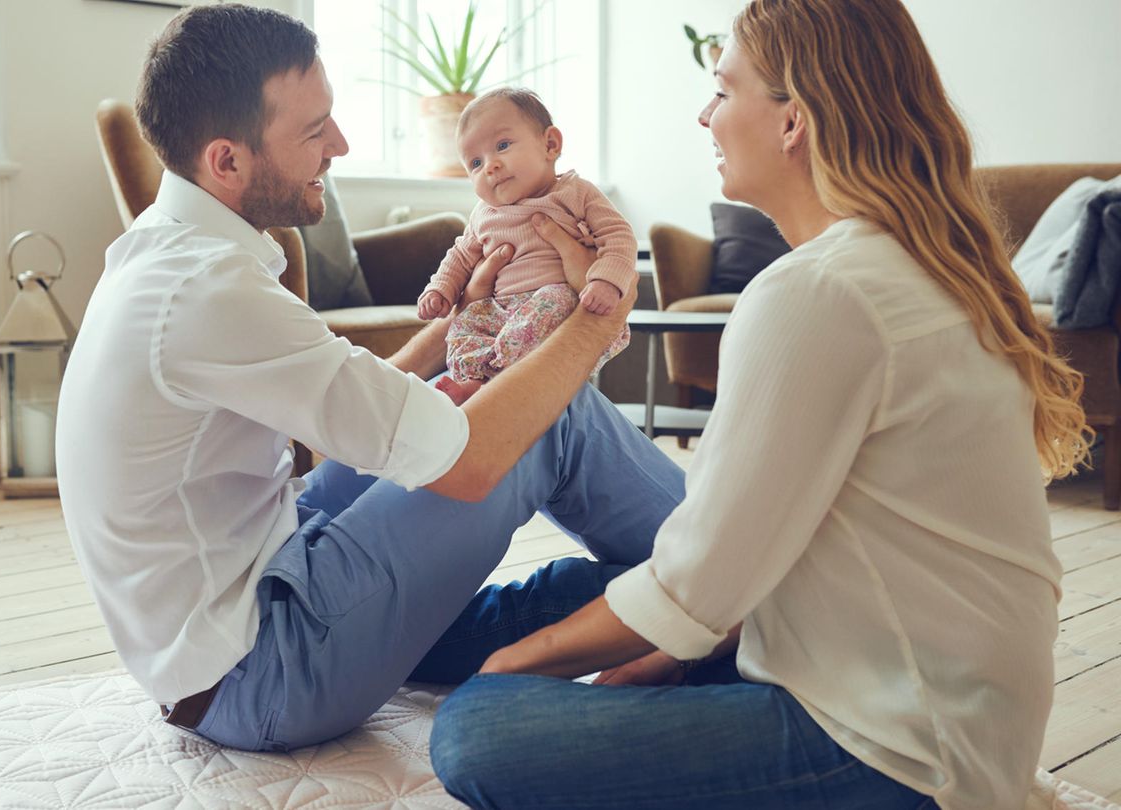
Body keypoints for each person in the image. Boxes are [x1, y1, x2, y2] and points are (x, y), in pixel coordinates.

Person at [427, 0, 1090, 808]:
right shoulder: (900, 267)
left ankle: (432, 654)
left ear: (792, 121)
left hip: (898, 746)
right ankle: (407, 641)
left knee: (477, 728)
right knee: (576, 587)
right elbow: (760, 552)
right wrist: (664, 645)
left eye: (722, 89)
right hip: (912, 680)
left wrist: (510, 670)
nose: (704, 114)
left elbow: (699, 581)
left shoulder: (822, 291)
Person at [54, 3, 685, 753]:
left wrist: (464, 318)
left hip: (256, 588)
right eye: (314, 131)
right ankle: (734, 580)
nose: (341, 146)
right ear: (227, 161)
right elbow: (472, 461)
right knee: (548, 414)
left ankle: (677, 600)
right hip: (265, 669)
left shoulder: (164, 253)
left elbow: (351, 406)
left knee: (478, 400)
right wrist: (594, 321)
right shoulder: (207, 290)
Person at [417, 88, 635, 405]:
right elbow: (460, 256)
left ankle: (502, 381)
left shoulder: (575, 192)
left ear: (550, 145)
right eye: (475, 163)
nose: (490, 166)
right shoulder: (484, 214)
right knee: (465, 324)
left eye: (502, 146)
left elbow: (618, 235)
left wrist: (606, 281)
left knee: (553, 301)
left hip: (555, 300)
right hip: (499, 308)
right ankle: (474, 381)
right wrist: (440, 289)